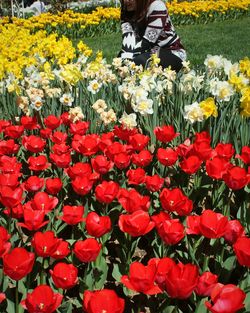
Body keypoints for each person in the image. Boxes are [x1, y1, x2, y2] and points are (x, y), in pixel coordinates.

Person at [119, 0, 186, 71]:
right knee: (120, 62)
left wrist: (129, 61)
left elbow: (147, 43)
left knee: (138, 62)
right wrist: (125, 59)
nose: (126, 1)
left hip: (170, 52)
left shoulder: (157, 6)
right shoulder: (126, 10)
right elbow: (128, 39)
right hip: (146, 51)